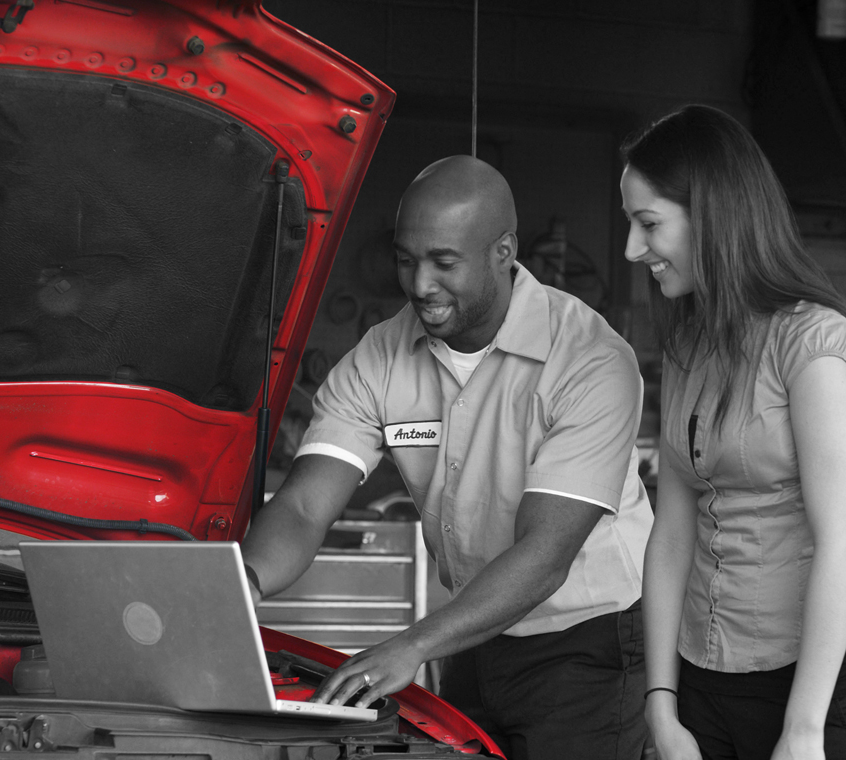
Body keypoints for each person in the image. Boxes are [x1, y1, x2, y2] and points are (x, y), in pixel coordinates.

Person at [242, 154, 654, 759]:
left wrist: (413, 645)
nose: (420, 285)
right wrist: (243, 587)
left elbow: (545, 557)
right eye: (406, 260)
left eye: (444, 262)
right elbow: (305, 505)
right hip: (471, 633)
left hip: (588, 641)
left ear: (503, 251)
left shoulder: (590, 360)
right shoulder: (380, 357)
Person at [621, 104, 846, 760]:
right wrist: (661, 705)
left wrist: (803, 730)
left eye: (648, 224)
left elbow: (841, 540)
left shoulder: (813, 344)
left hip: (809, 687)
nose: (633, 249)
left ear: (712, 216)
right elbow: (672, 533)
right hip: (701, 679)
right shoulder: (689, 346)